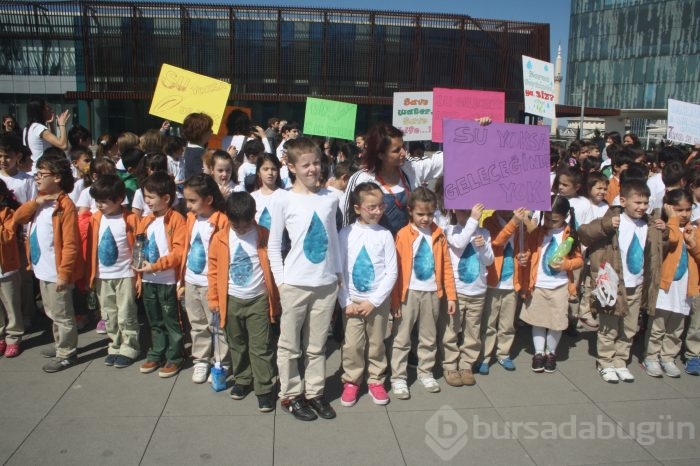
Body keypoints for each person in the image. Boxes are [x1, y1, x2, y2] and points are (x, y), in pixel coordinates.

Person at [268, 137, 342, 421]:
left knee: (317, 345)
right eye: (306, 164)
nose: (313, 169)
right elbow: (274, 245)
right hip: (295, 283)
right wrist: (281, 282)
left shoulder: (330, 198)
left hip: (325, 284)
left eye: (316, 162)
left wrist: (337, 275)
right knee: (289, 345)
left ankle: (315, 392)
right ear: (291, 166)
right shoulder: (282, 199)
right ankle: (290, 394)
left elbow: (333, 238)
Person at [579, 179, 667, 383]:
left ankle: (620, 361)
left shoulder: (650, 224)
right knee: (609, 326)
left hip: (636, 285)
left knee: (629, 327)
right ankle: (605, 361)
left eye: (645, 203)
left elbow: (662, 246)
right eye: (637, 202)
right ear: (624, 201)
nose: (642, 207)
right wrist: (606, 225)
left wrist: (665, 231)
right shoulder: (613, 219)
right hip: (612, 284)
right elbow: (584, 233)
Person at [343, 120, 489, 236]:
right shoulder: (361, 180)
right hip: (376, 258)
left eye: (403, 147)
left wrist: (474, 131)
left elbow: (448, 158)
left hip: (410, 254)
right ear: (381, 155)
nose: (403, 153)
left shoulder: (411, 168)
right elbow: (347, 222)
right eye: (396, 150)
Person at [208, 191, 280, 412]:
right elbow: (212, 270)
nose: (241, 230)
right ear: (227, 218)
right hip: (231, 300)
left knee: (260, 346)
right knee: (237, 343)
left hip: (258, 299)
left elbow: (275, 264)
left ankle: (264, 387)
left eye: (245, 226)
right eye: (236, 226)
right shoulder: (220, 237)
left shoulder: (263, 234)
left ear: (253, 217)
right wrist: (214, 299)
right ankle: (242, 379)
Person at [14, 154, 82, 372]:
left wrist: (64, 273)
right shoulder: (41, 200)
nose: (38, 178)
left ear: (58, 178)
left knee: (62, 314)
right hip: (41, 268)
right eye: (37, 173)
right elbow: (18, 218)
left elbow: (71, 243)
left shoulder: (65, 206)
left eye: (42, 174)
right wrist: (36, 202)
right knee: (52, 312)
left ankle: (67, 352)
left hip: (56, 271)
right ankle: (60, 343)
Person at [390, 187, 457, 399]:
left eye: (429, 213)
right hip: (407, 294)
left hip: (432, 293)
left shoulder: (439, 234)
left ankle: (425, 371)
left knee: (428, 336)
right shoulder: (402, 235)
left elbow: (446, 266)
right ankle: (398, 377)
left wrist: (451, 295)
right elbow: (396, 270)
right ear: (410, 211)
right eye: (420, 214)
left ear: (435, 211)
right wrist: (395, 300)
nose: (425, 218)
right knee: (402, 337)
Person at [338, 182, 397, 407]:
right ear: (357, 208)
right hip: (351, 302)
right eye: (371, 207)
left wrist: (374, 301)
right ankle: (351, 380)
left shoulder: (385, 235)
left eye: (380, 206)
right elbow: (339, 270)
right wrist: (344, 302)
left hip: (378, 303)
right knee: (352, 345)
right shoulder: (346, 233)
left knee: (377, 343)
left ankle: (376, 379)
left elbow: (392, 271)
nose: (377, 211)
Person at [518, 195, 583, 373]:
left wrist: (565, 265)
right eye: (546, 217)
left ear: (564, 217)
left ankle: (551, 352)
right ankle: (538, 353)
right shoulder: (538, 232)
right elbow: (530, 252)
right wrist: (523, 258)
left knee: (556, 322)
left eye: (554, 219)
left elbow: (578, 260)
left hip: (560, 286)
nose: (548, 222)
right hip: (538, 284)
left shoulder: (570, 234)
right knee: (537, 320)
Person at [133, 171, 186, 378]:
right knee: (154, 320)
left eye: (151, 197)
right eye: (145, 196)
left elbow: (178, 252)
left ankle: (175, 356)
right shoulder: (145, 220)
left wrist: (156, 266)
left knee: (171, 320)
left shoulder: (176, 219)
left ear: (166, 198)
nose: (147, 201)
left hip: (166, 280)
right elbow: (139, 248)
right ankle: (157, 352)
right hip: (148, 279)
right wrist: (140, 275)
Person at [178, 174, 230, 384]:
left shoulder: (222, 220)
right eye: (187, 201)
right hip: (192, 280)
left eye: (192, 201)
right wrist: (182, 280)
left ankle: (221, 361)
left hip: (212, 283)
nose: (188, 206)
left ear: (208, 199)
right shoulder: (191, 218)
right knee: (197, 323)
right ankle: (201, 359)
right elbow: (187, 248)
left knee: (217, 325)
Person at [643, 189, 700, 377]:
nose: (683, 214)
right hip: (666, 286)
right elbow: (673, 239)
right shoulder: (667, 226)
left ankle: (668, 357)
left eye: (687, 210)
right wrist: (671, 219)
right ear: (669, 208)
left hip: (685, 288)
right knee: (658, 325)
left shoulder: (695, 229)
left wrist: (693, 242)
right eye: (678, 209)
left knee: (676, 327)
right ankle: (651, 356)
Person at [85, 175, 140, 368]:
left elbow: (138, 246)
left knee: (126, 313)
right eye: (97, 201)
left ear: (118, 199)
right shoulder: (96, 218)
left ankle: (130, 347)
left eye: (103, 201)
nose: (99, 205)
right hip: (102, 276)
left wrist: (137, 272)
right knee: (108, 313)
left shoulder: (130, 218)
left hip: (125, 274)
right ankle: (114, 345)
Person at [440, 204, 494, 387]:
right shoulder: (450, 230)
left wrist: (484, 247)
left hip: (478, 291)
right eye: (463, 210)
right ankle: (450, 365)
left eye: (470, 211)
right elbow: (459, 243)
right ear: (454, 210)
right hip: (457, 291)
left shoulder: (484, 232)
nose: (468, 214)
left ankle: (466, 364)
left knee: (473, 330)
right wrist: (472, 220)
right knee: (451, 329)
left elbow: (489, 261)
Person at [480, 208, 534, 373]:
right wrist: (514, 222)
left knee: (508, 323)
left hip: (512, 282)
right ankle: (485, 355)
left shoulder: (522, 225)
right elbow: (497, 241)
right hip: (494, 282)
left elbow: (527, 246)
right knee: (489, 322)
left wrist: (526, 256)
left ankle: (503, 353)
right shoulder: (490, 222)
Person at [0, 179, 23, 357]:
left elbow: (7, 236)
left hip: (6, 267)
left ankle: (13, 337)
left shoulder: (7, 213)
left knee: (11, 304)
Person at [22, 99, 70, 169]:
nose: (51, 109)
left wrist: (51, 124)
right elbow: (63, 145)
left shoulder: (28, 128)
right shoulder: (38, 128)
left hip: (33, 168)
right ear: (40, 111)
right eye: (47, 107)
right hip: (42, 169)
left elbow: (53, 145)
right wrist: (62, 125)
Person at [182, 113, 214, 180]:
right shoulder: (201, 154)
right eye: (209, 129)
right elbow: (204, 179)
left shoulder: (186, 150)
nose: (212, 131)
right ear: (201, 133)